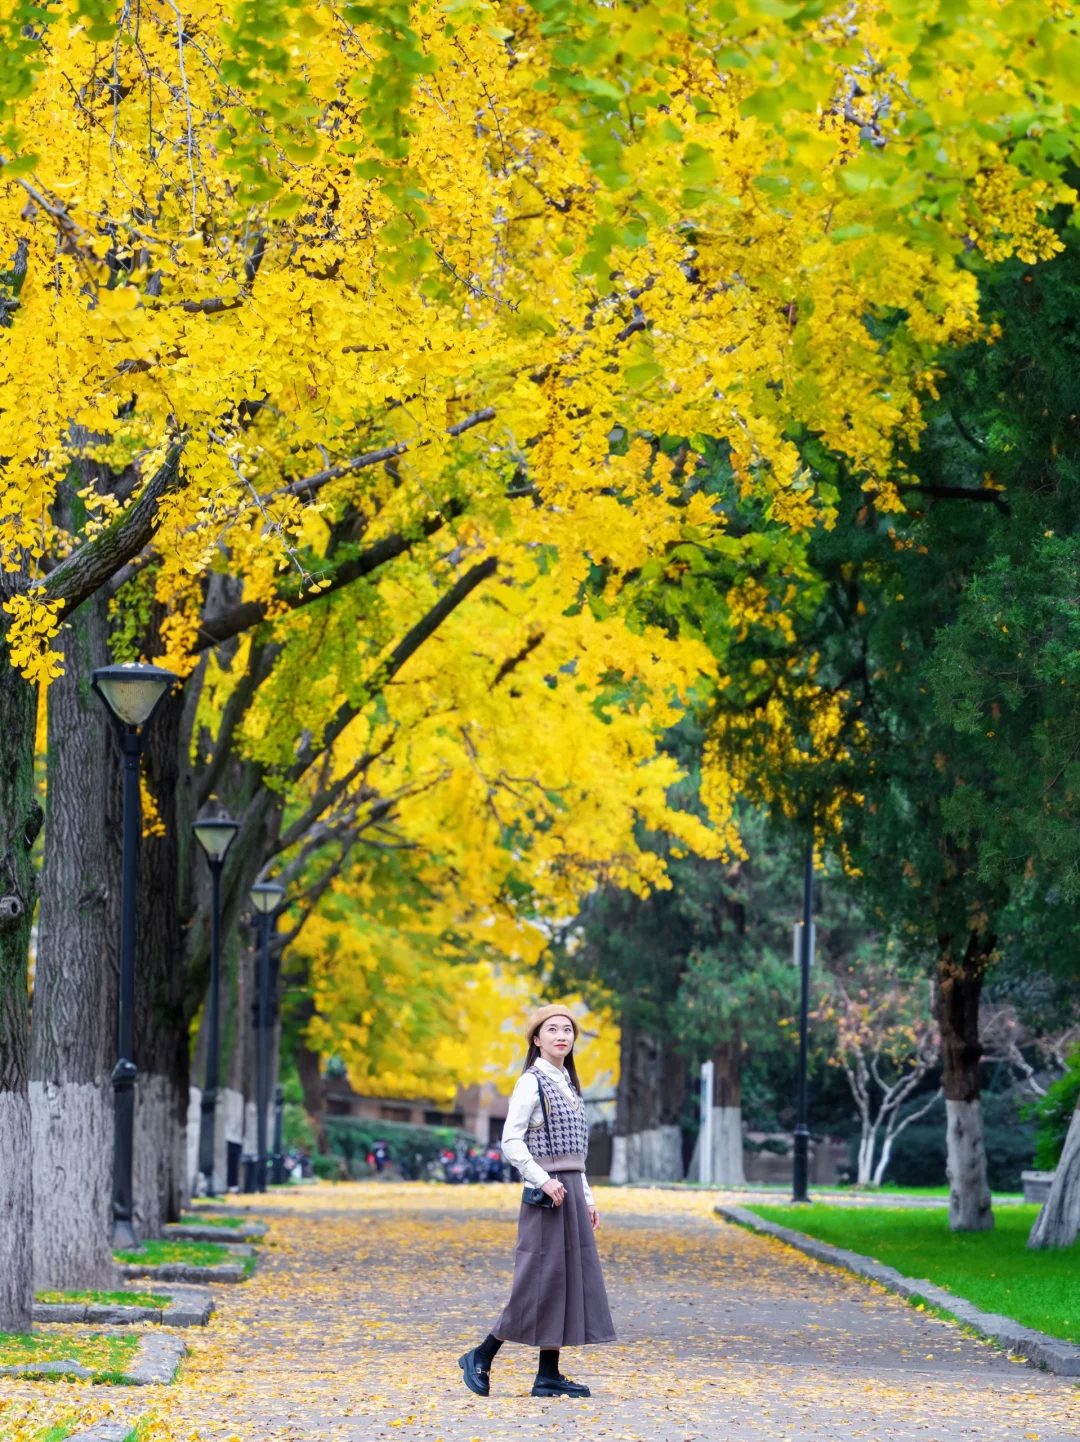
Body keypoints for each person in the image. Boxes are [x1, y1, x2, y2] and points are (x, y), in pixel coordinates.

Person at [458, 1004, 615, 1399]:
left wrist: (588, 1197)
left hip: (571, 1192)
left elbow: (575, 1154)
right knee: (537, 1281)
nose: (562, 1035)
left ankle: (548, 1374)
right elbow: (511, 1141)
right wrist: (543, 1180)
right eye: (552, 1029)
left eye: (567, 1030)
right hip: (546, 1195)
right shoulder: (532, 1082)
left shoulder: (569, 1084)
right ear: (536, 1038)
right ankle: (481, 1354)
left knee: (563, 1281)